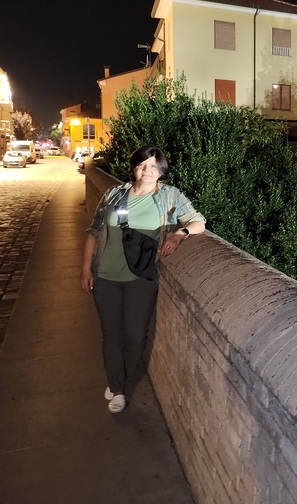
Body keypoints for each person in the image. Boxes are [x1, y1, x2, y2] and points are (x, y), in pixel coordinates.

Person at [80, 145, 206, 413]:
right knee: (111, 333)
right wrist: (86, 268)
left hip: (142, 278)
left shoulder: (170, 196)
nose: (147, 170)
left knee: (136, 335)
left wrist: (179, 233)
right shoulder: (115, 194)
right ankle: (117, 388)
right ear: (134, 168)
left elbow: (199, 222)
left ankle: (118, 377)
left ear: (161, 171)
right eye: (142, 164)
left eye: (153, 166)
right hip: (105, 276)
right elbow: (94, 231)